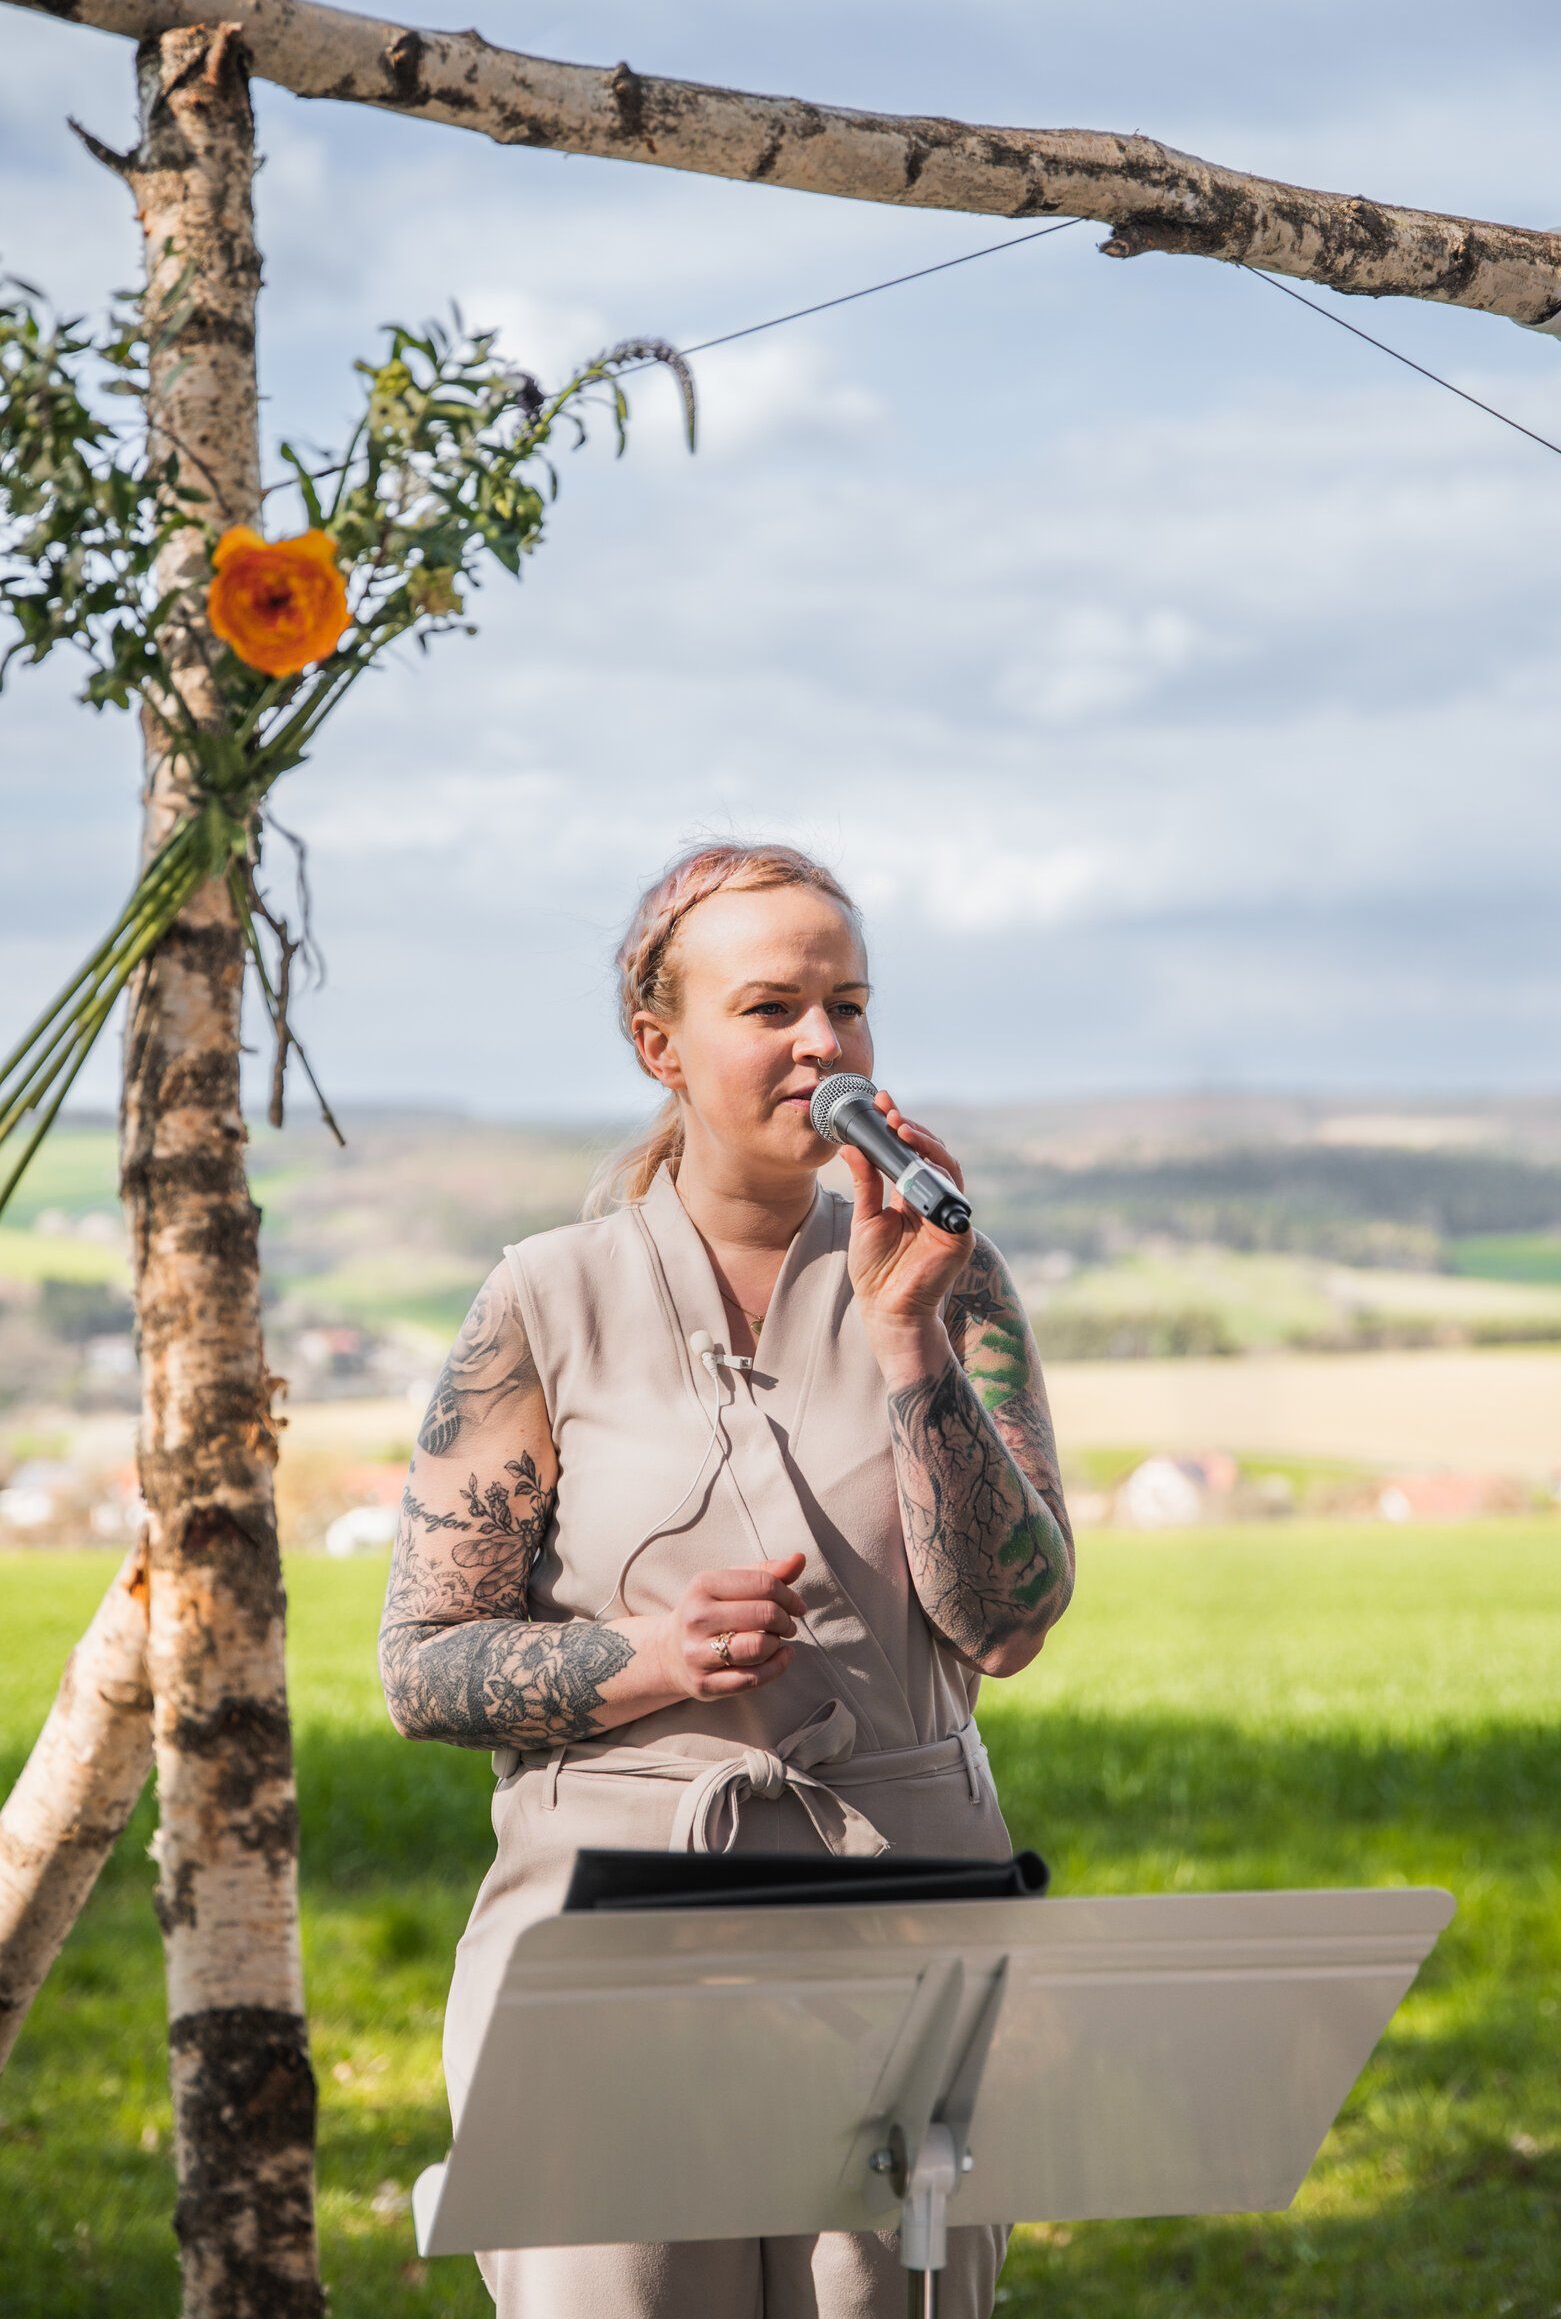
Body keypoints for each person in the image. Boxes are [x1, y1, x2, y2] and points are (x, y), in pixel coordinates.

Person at [378, 838, 1075, 2318]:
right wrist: (640, 1657)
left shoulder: (957, 1278)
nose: (825, 1043)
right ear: (661, 1047)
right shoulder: (540, 1300)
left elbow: (1008, 1624)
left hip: (903, 1910)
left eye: (850, 1004)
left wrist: (908, 1341)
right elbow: (422, 1665)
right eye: (772, 1009)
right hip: (613, 1928)